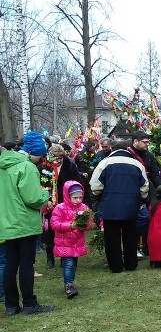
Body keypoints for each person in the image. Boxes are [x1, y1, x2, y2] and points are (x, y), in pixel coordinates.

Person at [1, 131, 53, 315]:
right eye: (41, 153)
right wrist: (45, 195)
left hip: (6, 221)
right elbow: (32, 198)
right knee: (26, 264)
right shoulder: (26, 167)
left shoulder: (3, 165)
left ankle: (11, 305)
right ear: (34, 151)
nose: (42, 158)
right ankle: (30, 304)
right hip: (24, 223)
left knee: (10, 264)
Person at [90, 138, 149, 273]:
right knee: (130, 236)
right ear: (127, 148)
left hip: (110, 206)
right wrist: (140, 199)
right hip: (131, 206)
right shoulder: (137, 164)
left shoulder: (104, 163)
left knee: (112, 238)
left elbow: (95, 186)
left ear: (112, 148)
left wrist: (100, 197)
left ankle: (115, 266)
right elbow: (144, 186)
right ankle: (131, 263)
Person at [49, 181, 93, 298]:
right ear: (68, 196)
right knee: (68, 264)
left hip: (77, 242)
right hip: (64, 242)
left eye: (80, 197)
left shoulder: (84, 208)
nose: (78, 200)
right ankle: (68, 284)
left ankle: (70, 281)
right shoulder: (60, 208)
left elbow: (90, 224)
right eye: (75, 198)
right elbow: (54, 224)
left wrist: (85, 225)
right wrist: (70, 226)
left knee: (73, 264)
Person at [41, 143, 82, 270]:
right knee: (49, 231)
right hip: (49, 203)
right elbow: (40, 185)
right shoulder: (43, 167)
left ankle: (65, 257)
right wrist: (46, 199)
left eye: (61, 158)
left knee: (65, 230)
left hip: (65, 203)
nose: (58, 161)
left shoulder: (70, 166)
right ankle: (50, 257)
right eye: (56, 158)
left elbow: (76, 183)